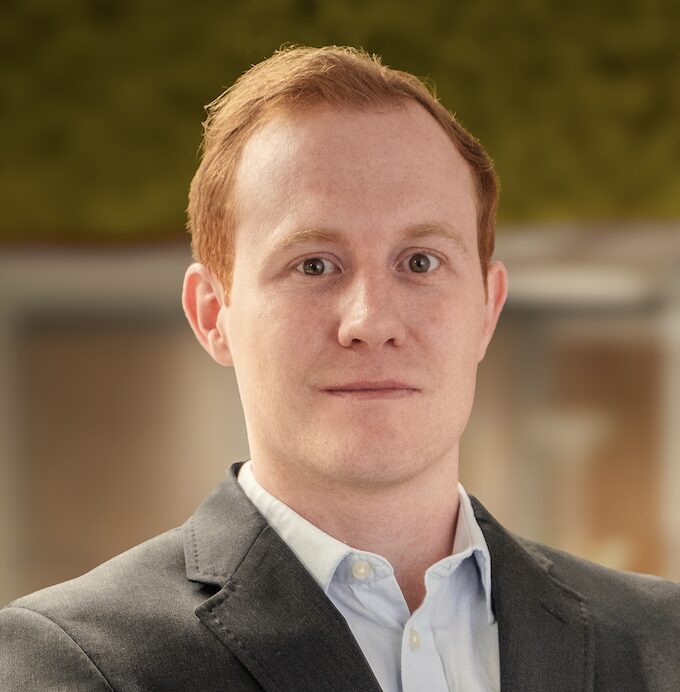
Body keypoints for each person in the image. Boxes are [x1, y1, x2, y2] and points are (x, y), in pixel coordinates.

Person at [0, 45, 678, 692]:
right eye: (314, 265)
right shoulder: (71, 661)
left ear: (486, 308)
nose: (371, 321)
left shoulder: (663, 641)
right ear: (212, 314)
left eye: (420, 262)